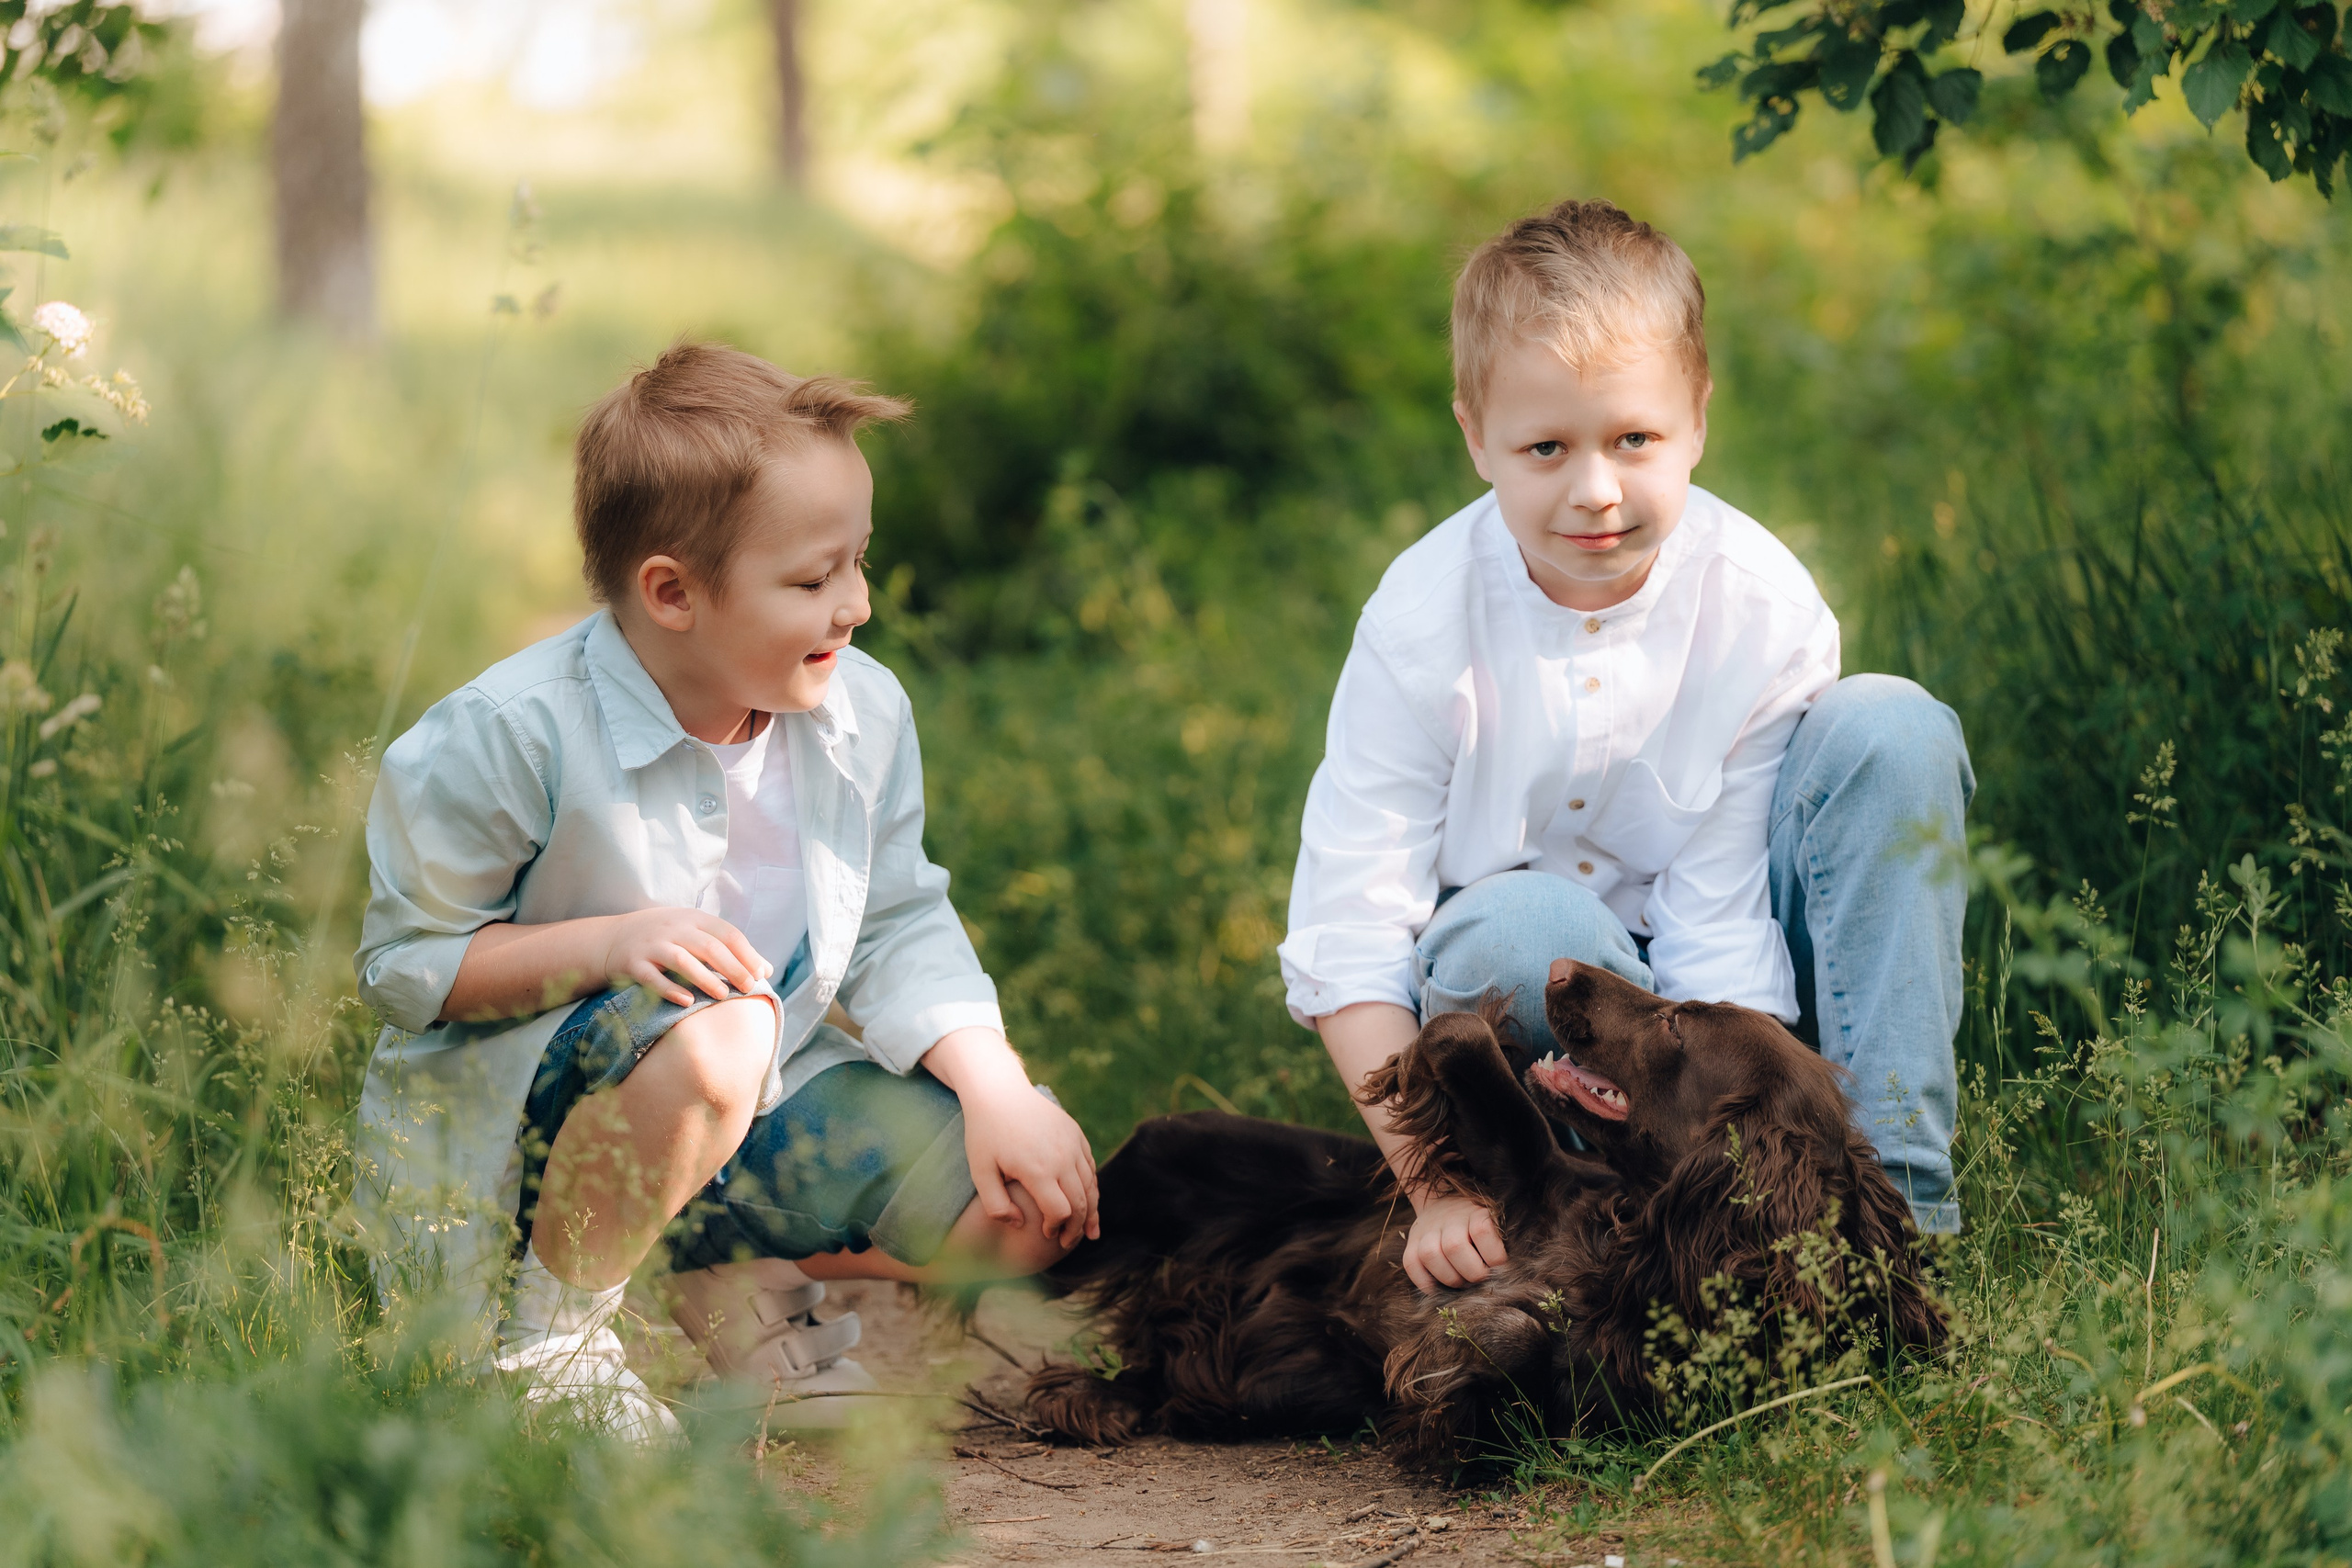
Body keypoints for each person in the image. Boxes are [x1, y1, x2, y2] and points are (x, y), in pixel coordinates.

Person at [353, 342, 1097, 1439]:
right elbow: (404, 968)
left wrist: (997, 1090)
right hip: (552, 1120)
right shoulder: (509, 733)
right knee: (722, 1039)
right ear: (672, 593)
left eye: (859, 562)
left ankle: (711, 1271)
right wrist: (609, 943)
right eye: (810, 580)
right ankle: (546, 1341)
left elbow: (896, 919)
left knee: (1025, 1211)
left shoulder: (861, 712)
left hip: (753, 1094)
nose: (856, 606)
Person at [1278, 198, 1972, 1297]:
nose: (1594, 490)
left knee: (1892, 730)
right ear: (1474, 438)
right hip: (1524, 993)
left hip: (1715, 1005)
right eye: (1545, 448)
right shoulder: (1420, 627)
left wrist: (1742, 1137)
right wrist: (1431, 1185)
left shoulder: (1761, 607)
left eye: (1633, 440)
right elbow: (1349, 933)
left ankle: (1893, 1228)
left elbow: (1725, 910)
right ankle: (1586, 1225)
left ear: (1696, 417)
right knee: (1522, 923)